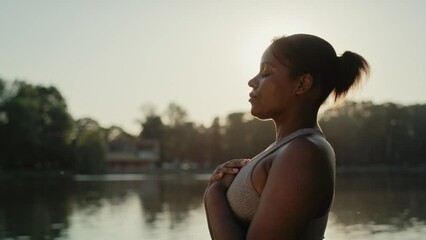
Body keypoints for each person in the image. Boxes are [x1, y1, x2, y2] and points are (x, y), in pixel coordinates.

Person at [204, 33, 369, 240]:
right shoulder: (287, 148)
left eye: (266, 73)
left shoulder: (305, 152)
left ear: (302, 84)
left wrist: (213, 196)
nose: (251, 82)